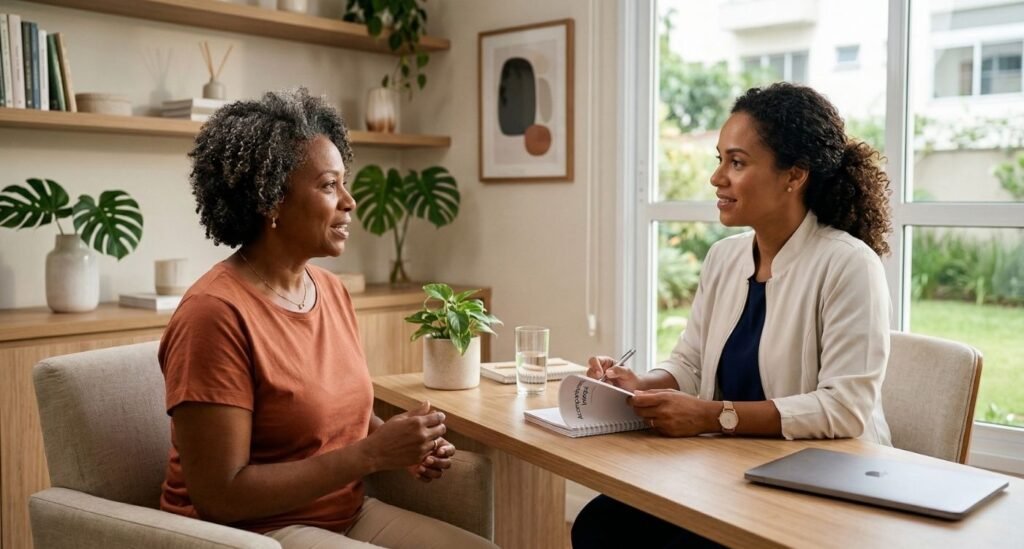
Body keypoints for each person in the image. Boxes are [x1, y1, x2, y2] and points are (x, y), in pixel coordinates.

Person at [158, 88, 495, 549]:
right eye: (328, 185)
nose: (350, 201)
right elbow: (221, 495)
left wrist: (401, 447)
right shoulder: (214, 314)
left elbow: (339, 416)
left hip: (345, 516)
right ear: (271, 200)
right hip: (255, 534)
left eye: (344, 182)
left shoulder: (330, 291)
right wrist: (372, 455)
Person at [572, 82, 894, 548]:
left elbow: (844, 409)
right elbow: (692, 362)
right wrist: (641, 384)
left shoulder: (848, 264)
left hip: (826, 481)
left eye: (737, 162)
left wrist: (711, 415)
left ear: (794, 175)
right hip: (732, 468)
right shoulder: (724, 258)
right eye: (719, 159)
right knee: (600, 525)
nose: (717, 177)